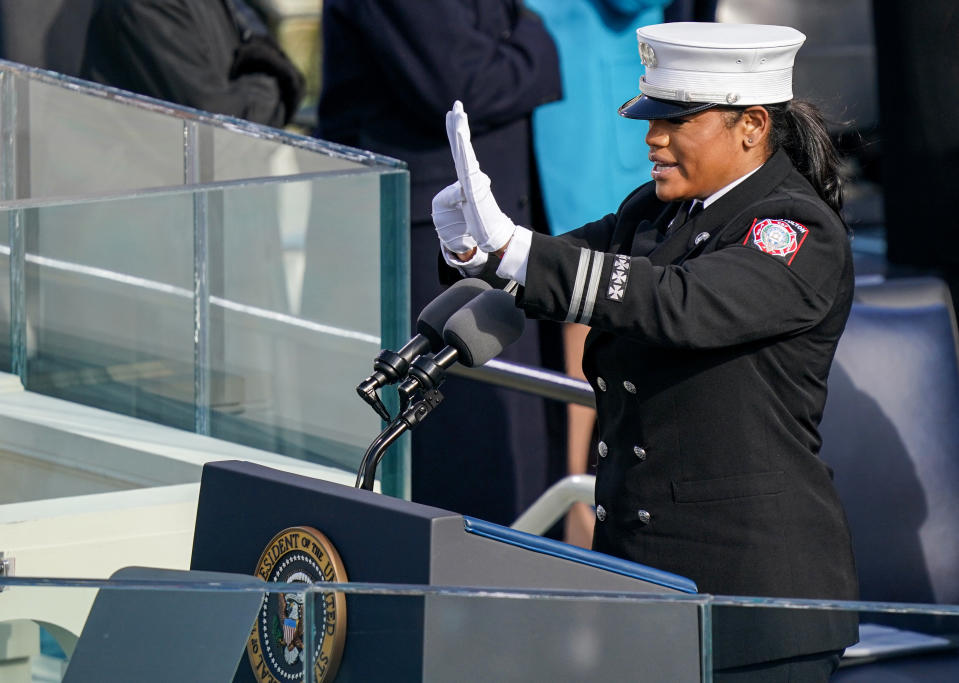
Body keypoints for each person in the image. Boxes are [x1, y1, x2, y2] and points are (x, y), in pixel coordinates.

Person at [432, 21, 859, 680]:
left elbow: (678, 303)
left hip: (753, 602)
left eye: (677, 119)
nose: (652, 137)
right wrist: (477, 248)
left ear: (750, 125)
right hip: (647, 585)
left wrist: (516, 250)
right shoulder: (658, 212)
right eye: (651, 118)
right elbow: (564, 266)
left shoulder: (793, 229)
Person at [317, 1, 565, 526]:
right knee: (456, 464)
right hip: (415, 236)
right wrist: (535, 47)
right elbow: (457, 84)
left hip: (483, 226)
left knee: (509, 460)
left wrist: (527, 42)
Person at [521, 0, 672, 547]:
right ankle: (577, 504)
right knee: (568, 307)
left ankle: (582, 503)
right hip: (556, 117)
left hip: (595, 114)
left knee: (595, 302)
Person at [80, 0, 305, 128]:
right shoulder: (147, 6)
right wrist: (273, 82)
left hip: (200, 198)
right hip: (161, 201)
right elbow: (217, 130)